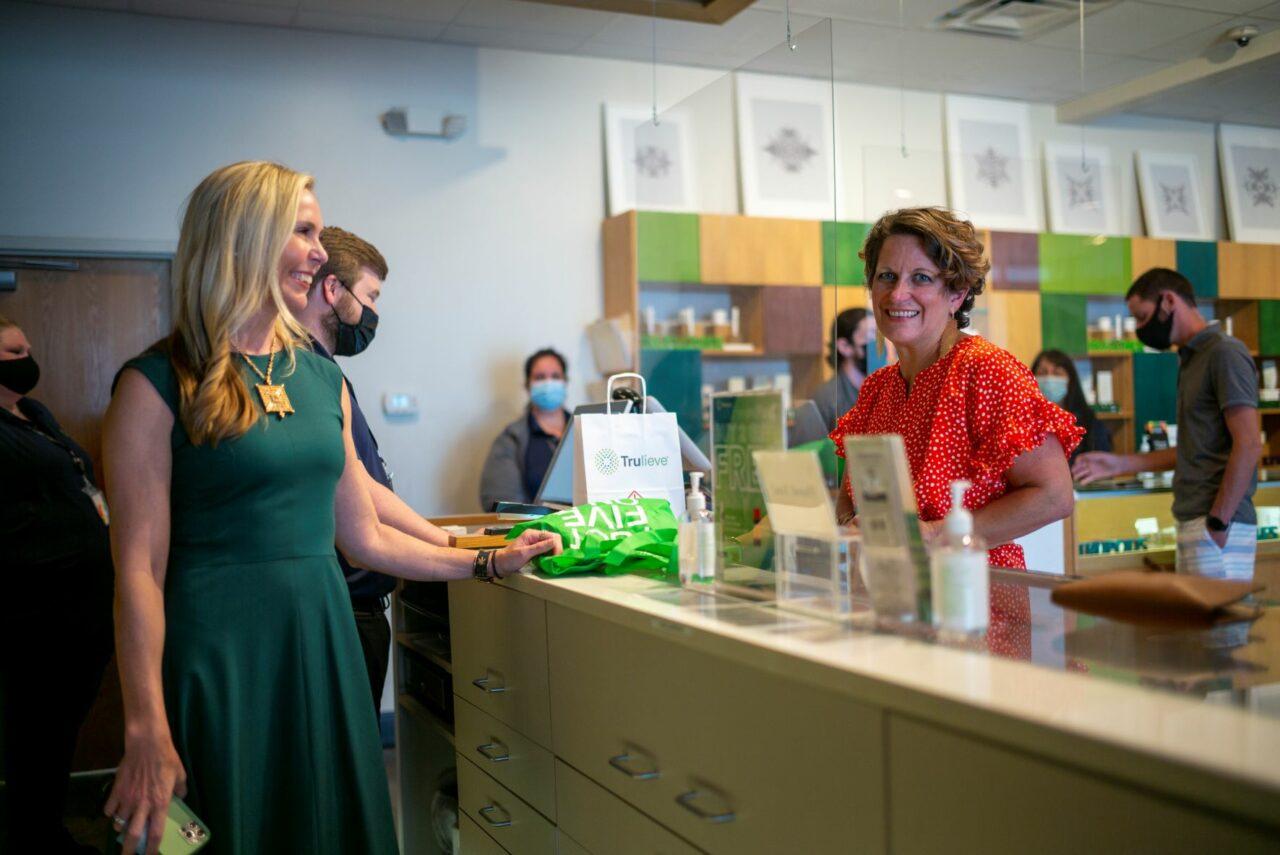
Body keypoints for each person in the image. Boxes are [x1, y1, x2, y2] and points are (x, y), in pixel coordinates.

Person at [101, 161, 560, 855]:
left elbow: (366, 535)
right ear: (244, 238)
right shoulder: (157, 384)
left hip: (320, 645)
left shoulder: (321, 380)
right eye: (304, 229)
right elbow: (138, 570)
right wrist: (145, 724)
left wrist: (486, 561)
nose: (320, 252)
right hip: (218, 658)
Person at [293, 225, 456, 715]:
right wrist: (473, 560)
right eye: (370, 296)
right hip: (340, 607)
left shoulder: (327, 373)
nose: (373, 314)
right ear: (331, 289)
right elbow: (357, 512)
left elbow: (362, 482)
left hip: (356, 605)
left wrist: (445, 541)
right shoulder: (305, 375)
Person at [0, 316, 114, 855]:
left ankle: (41, 827)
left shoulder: (34, 414)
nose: (27, 357)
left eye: (26, 346)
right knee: (37, 727)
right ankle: (36, 835)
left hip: (83, 600)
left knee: (61, 722)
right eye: (12, 350)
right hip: (33, 606)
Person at [1072, 268, 1262, 580]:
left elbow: (1250, 443)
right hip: (1195, 520)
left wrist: (1218, 521)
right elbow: (1192, 449)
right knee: (1200, 628)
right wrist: (1119, 463)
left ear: (1169, 301)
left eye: (1143, 316)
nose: (1140, 328)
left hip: (1218, 525)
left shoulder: (1224, 353)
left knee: (1220, 629)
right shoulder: (1191, 359)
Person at [479, 348, 570, 510]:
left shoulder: (589, 429)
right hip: (540, 531)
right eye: (540, 377)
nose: (549, 384)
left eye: (555, 376)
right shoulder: (511, 440)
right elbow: (502, 504)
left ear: (565, 382)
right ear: (527, 385)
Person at [1030, 349, 1112, 463]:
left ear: (1070, 380)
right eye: (1042, 373)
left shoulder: (1089, 423)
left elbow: (1103, 463)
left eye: (1057, 373)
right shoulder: (1024, 422)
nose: (1049, 378)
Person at [814, 307, 875, 433]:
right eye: (871, 337)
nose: (879, 346)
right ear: (845, 346)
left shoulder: (885, 392)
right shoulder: (827, 400)